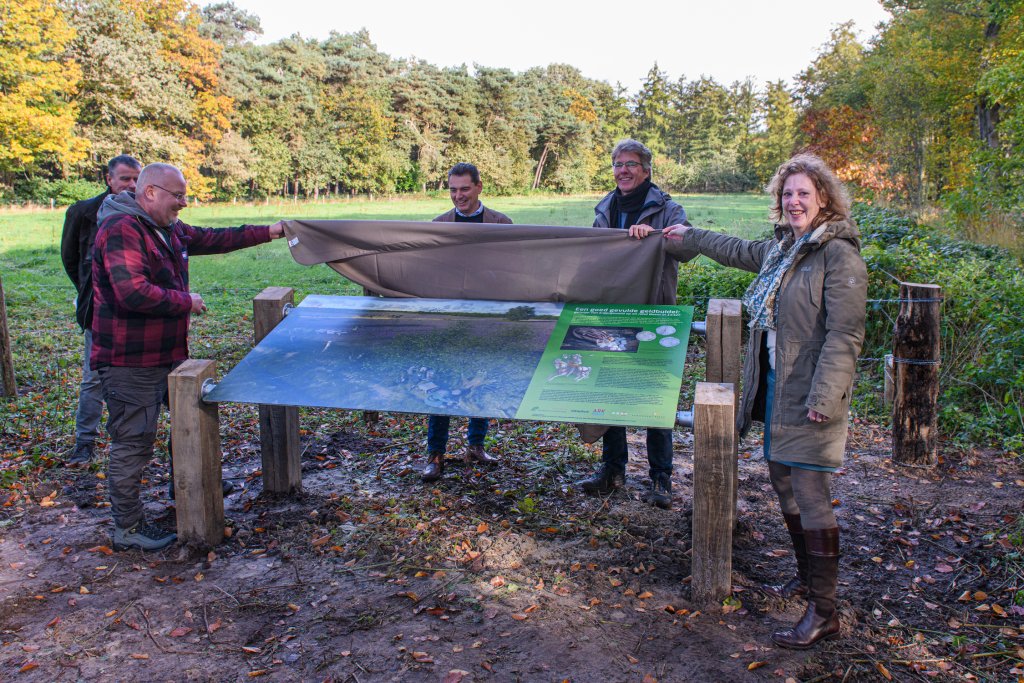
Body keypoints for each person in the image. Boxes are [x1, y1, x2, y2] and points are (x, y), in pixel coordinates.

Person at [633, 152, 867, 649]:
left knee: (809, 490)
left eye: (804, 193)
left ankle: (825, 611)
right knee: (783, 481)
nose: (795, 201)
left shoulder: (836, 253)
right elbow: (736, 249)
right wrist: (685, 237)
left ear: (824, 197)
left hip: (811, 391)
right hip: (775, 387)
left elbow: (845, 335)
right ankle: (807, 583)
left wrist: (825, 397)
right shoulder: (786, 248)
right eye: (788, 194)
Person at [91, 163, 286, 551]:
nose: (183, 203)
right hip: (130, 360)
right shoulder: (122, 230)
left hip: (169, 354)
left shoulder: (167, 228)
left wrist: (272, 231)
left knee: (186, 426)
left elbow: (214, 238)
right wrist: (187, 301)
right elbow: (132, 292)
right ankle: (127, 527)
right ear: (149, 193)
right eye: (177, 195)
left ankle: (183, 489)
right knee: (134, 441)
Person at [577, 139, 687, 510]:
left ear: (646, 170)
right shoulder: (605, 209)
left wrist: (652, 239)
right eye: (618, 164)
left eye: (631, 164)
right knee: (610, 392)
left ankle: (661, 479)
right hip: (614, 314)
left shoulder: (668, 209)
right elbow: (594, 255)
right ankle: (612, 470)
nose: (623, 170)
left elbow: (686, 249)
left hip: (655, 314)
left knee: (655, 397)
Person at [421, 162, 512, 482]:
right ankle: (436, 454)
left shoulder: (502, 224)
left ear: (479, 187)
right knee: (442, 382)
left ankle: (475, 445)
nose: (458, 196)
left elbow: (511, 272)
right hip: (450, 320)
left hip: (487, 318)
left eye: (464, 189)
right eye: (453, 190)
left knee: (481, 379)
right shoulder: (439, 225)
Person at [60, 155, 142, 467]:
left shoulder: (144, 211)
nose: (131, 185)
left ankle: (132, 437)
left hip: (136, 314)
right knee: (93, 377)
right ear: (109, 179)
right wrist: (91, 292)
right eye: (125, 179)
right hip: (96, 310)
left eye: (136, 178)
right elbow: (71, 259)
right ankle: (85, 442)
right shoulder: (83, 212)